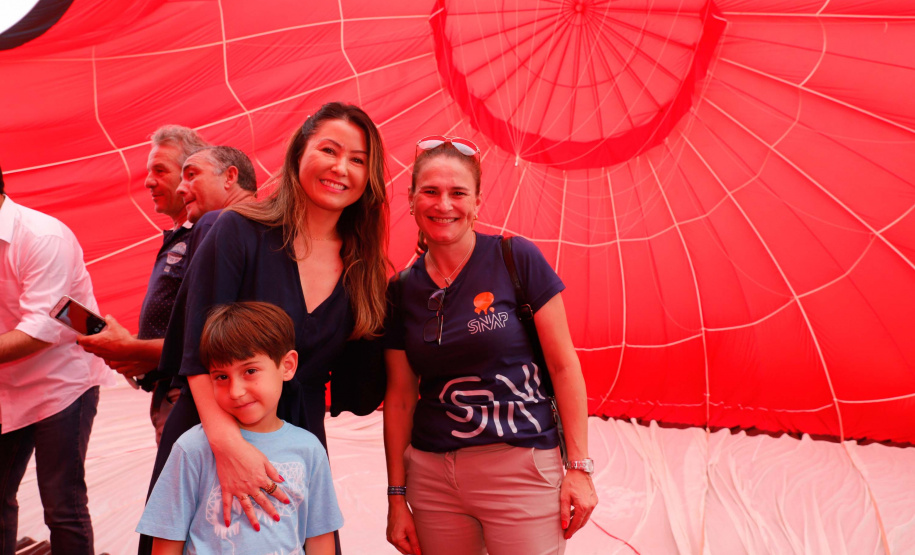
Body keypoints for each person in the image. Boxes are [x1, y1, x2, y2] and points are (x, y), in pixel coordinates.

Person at [139, 102, 389, 555]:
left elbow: (363, 388)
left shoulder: (365, 268)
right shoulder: (236, 230)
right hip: (211, 428)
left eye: (358, 160)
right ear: (298, 155)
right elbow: (196, 354)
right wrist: (228, 448)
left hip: (297, 440)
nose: (340, 168)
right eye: (329, 150)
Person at [383, 137, 598, 555]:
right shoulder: (401, 290)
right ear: (410, 200)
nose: (443, 204)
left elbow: (564, 366)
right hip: (433, 478)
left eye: (457, 193)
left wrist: (579, 468)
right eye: (430, 191)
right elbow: (401, 398)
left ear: (477, 202)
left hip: (520, 466)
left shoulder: (515, 258)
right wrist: (396, 496)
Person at [137, 302, 343, 555]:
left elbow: (320, 540)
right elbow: (166, 542)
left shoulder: (310, 449)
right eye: (221, 377)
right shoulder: (191, 449)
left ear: (287, 366)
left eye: (250, 371)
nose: (235, 391)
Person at [0, 164, 114, 554]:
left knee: (61, 502)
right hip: (6, 385)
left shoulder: (42, 236)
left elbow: (40, 330)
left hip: (61, 382)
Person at [78, 125, 208, 444]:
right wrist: (135, 350)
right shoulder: (181, 236)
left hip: (192, 399)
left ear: (191, 174)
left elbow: (209, 340)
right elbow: (181, 329)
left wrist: (132, 348)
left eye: (160, 170)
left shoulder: (208, 233)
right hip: (169, 393)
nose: (148, 181)